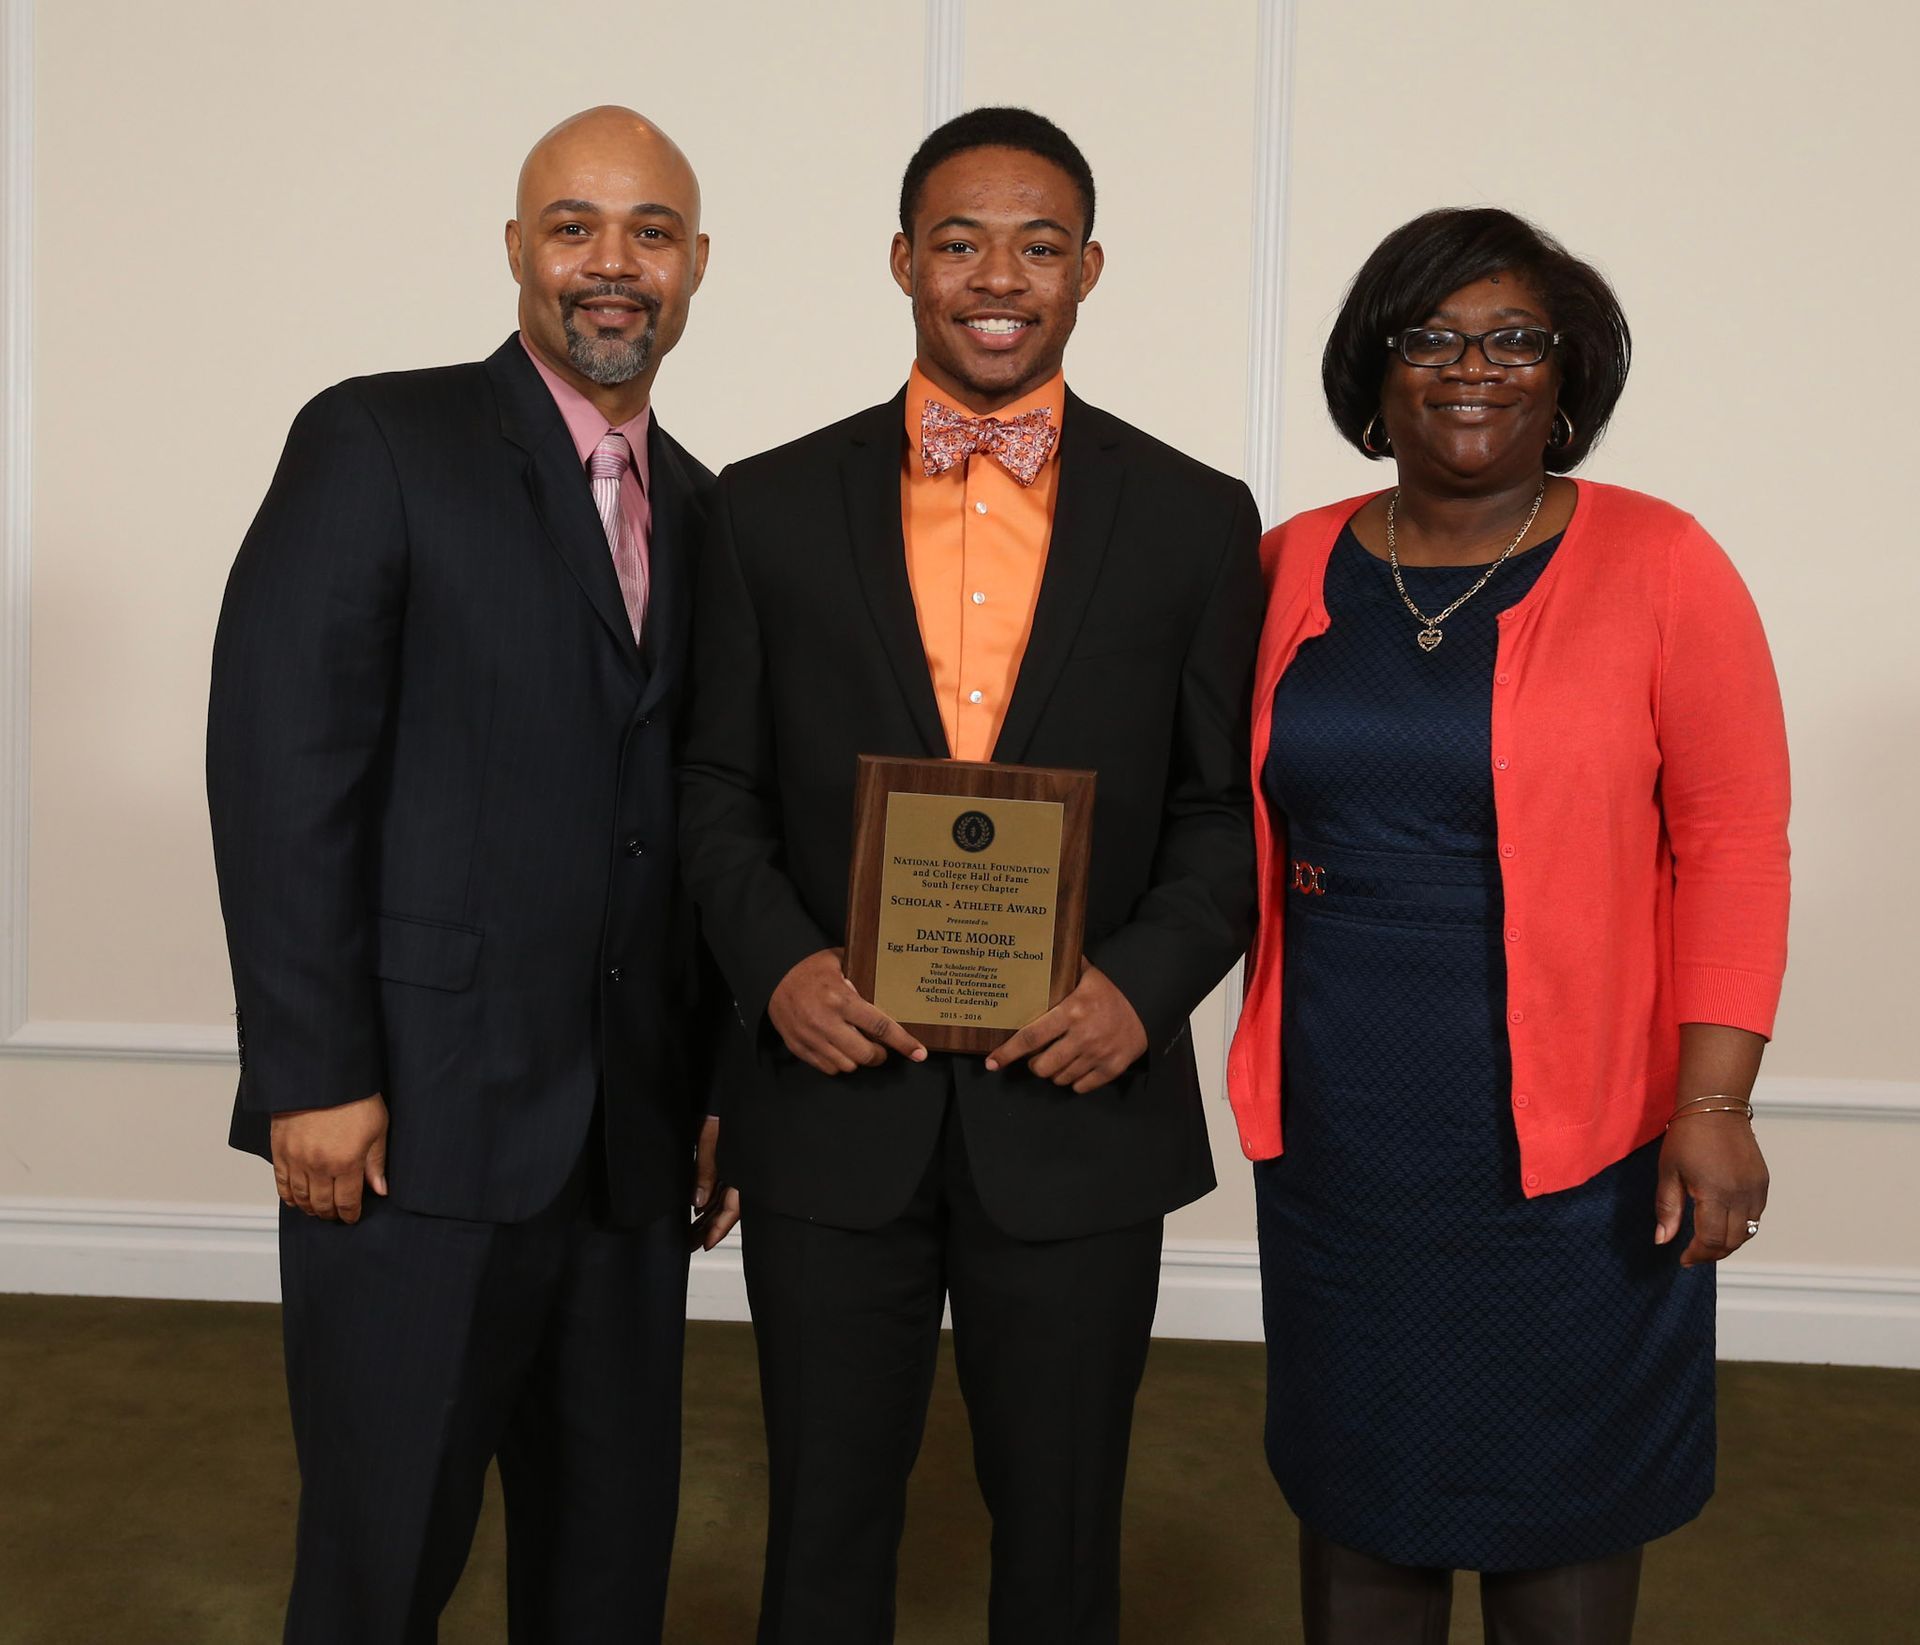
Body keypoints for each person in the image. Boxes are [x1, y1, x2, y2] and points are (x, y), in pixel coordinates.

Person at [678, 107, 1260, 1643]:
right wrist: (779, 966)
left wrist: (1140, 989)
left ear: (1088, 271)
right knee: (822, 1516)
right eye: (959, 240)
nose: (998, 276)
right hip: (829, 1097)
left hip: (1078, 1104)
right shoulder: (763, 507)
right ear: (902, 262)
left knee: (1065, 1531)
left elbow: (1225, 813)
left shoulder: (1199, 520)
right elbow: (714, 789)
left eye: (1039, 243)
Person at [1226, 206, 1791, 1644]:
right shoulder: (1284, 563)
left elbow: (1731, 845)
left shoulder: (1665, 564)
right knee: (1363, 1492)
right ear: (1377, 368)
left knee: (1566, 1498)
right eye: (1430, 337)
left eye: (1514, 339)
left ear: (1567, 373)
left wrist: (1714, 1095)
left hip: (1581, 1141)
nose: (1471, 367)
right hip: (1346, 1124)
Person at [206, 107, 732, 1644]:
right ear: (516, 250)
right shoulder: (379, 439)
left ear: (696, 264)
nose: (611, 264)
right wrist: (312, 1070)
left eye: (647, 231)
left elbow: (696, 820)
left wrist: (715, 1087)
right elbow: (281, 770)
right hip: (412, 1134)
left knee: (604, 1574)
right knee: (382, 1565)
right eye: (574, 226)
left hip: (631, 1157)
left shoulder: (705, 509)